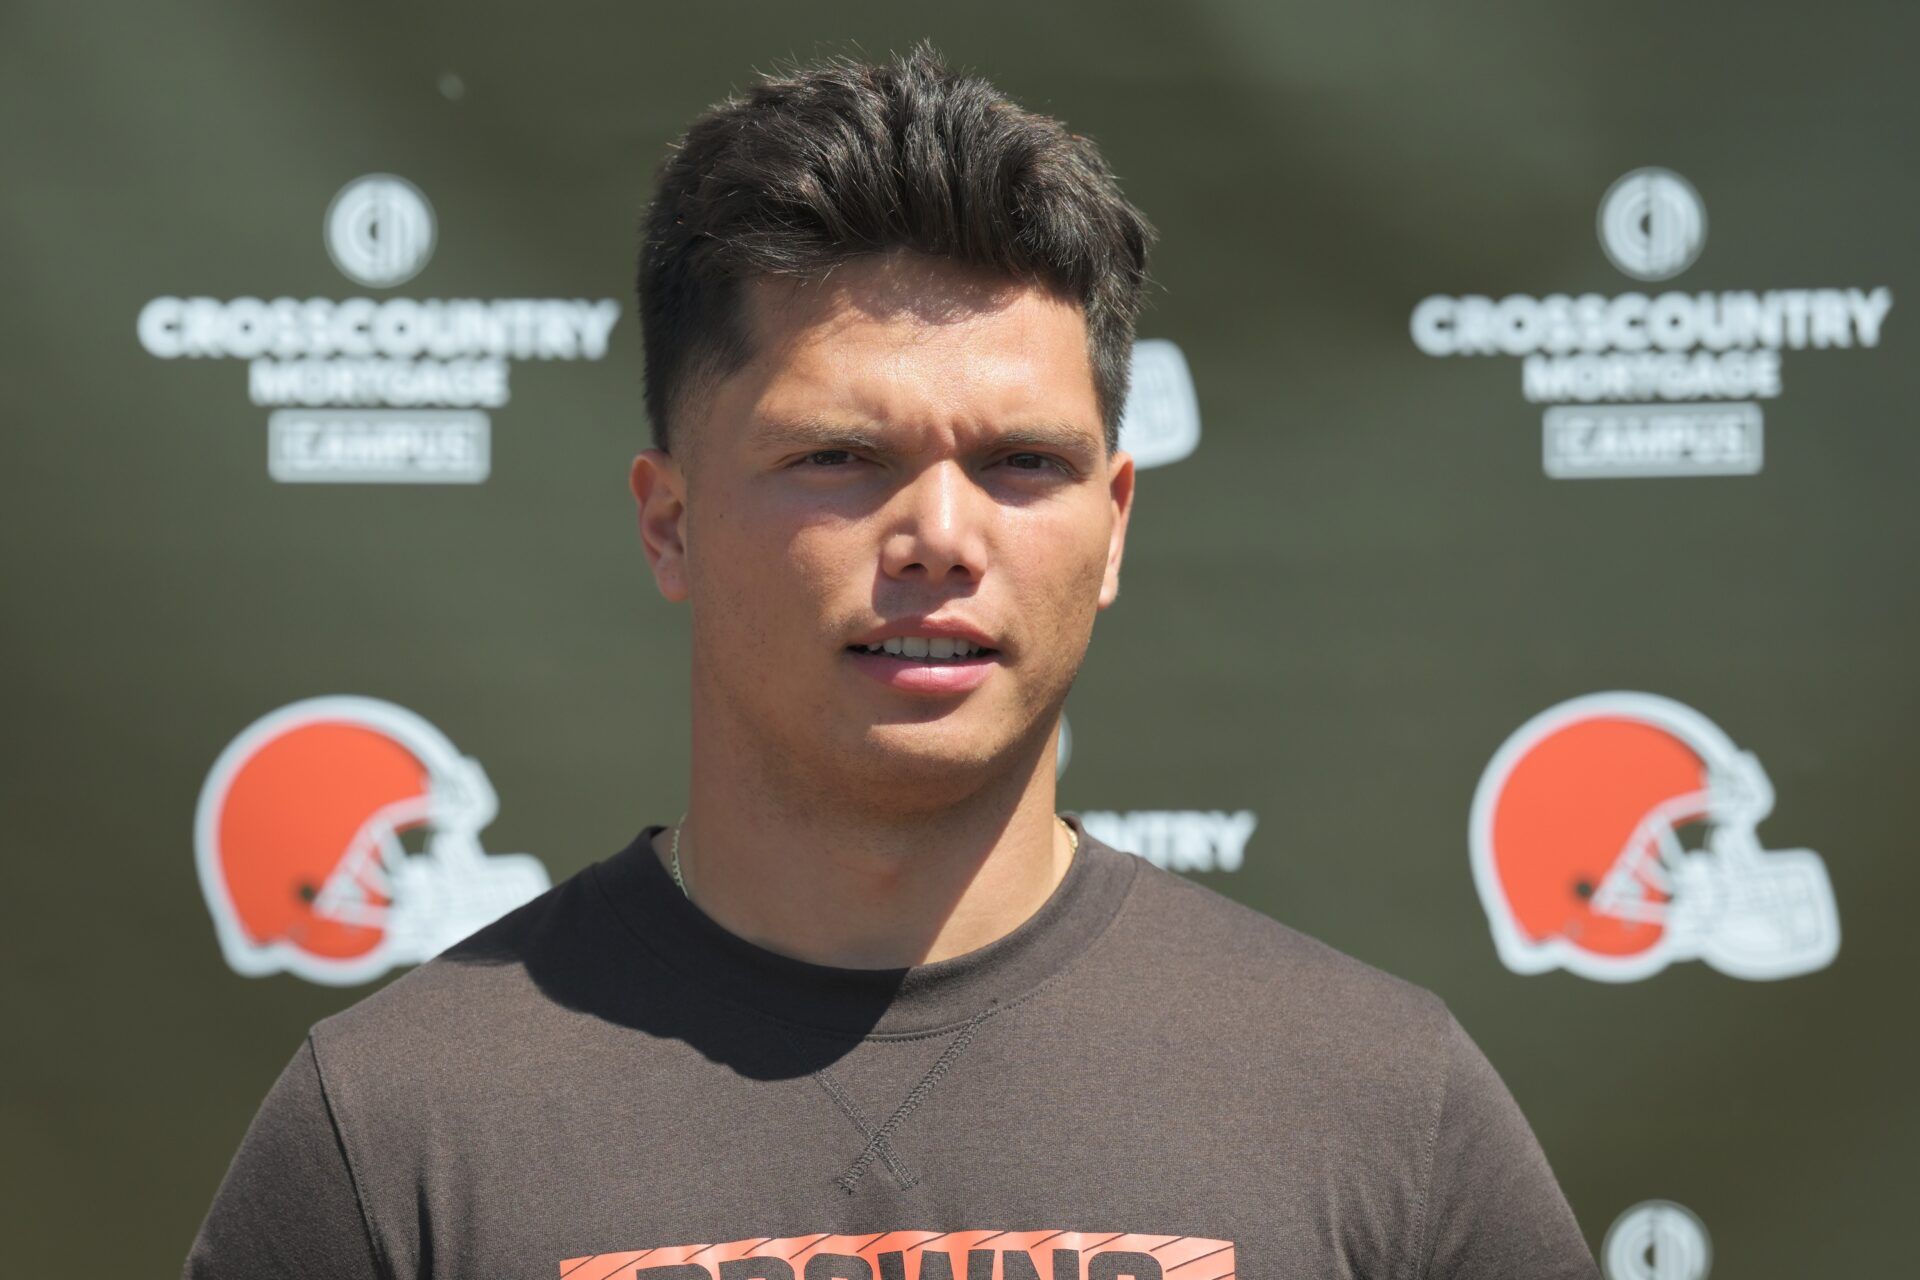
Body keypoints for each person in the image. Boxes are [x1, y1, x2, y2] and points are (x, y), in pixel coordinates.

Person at [182, 43, 1599, 1280]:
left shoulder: (1377, 1103)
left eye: (1024, 463)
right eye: (840, 458)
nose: (938, 535)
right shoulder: (389, 1131)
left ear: (1111, 530)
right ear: (669, 523)